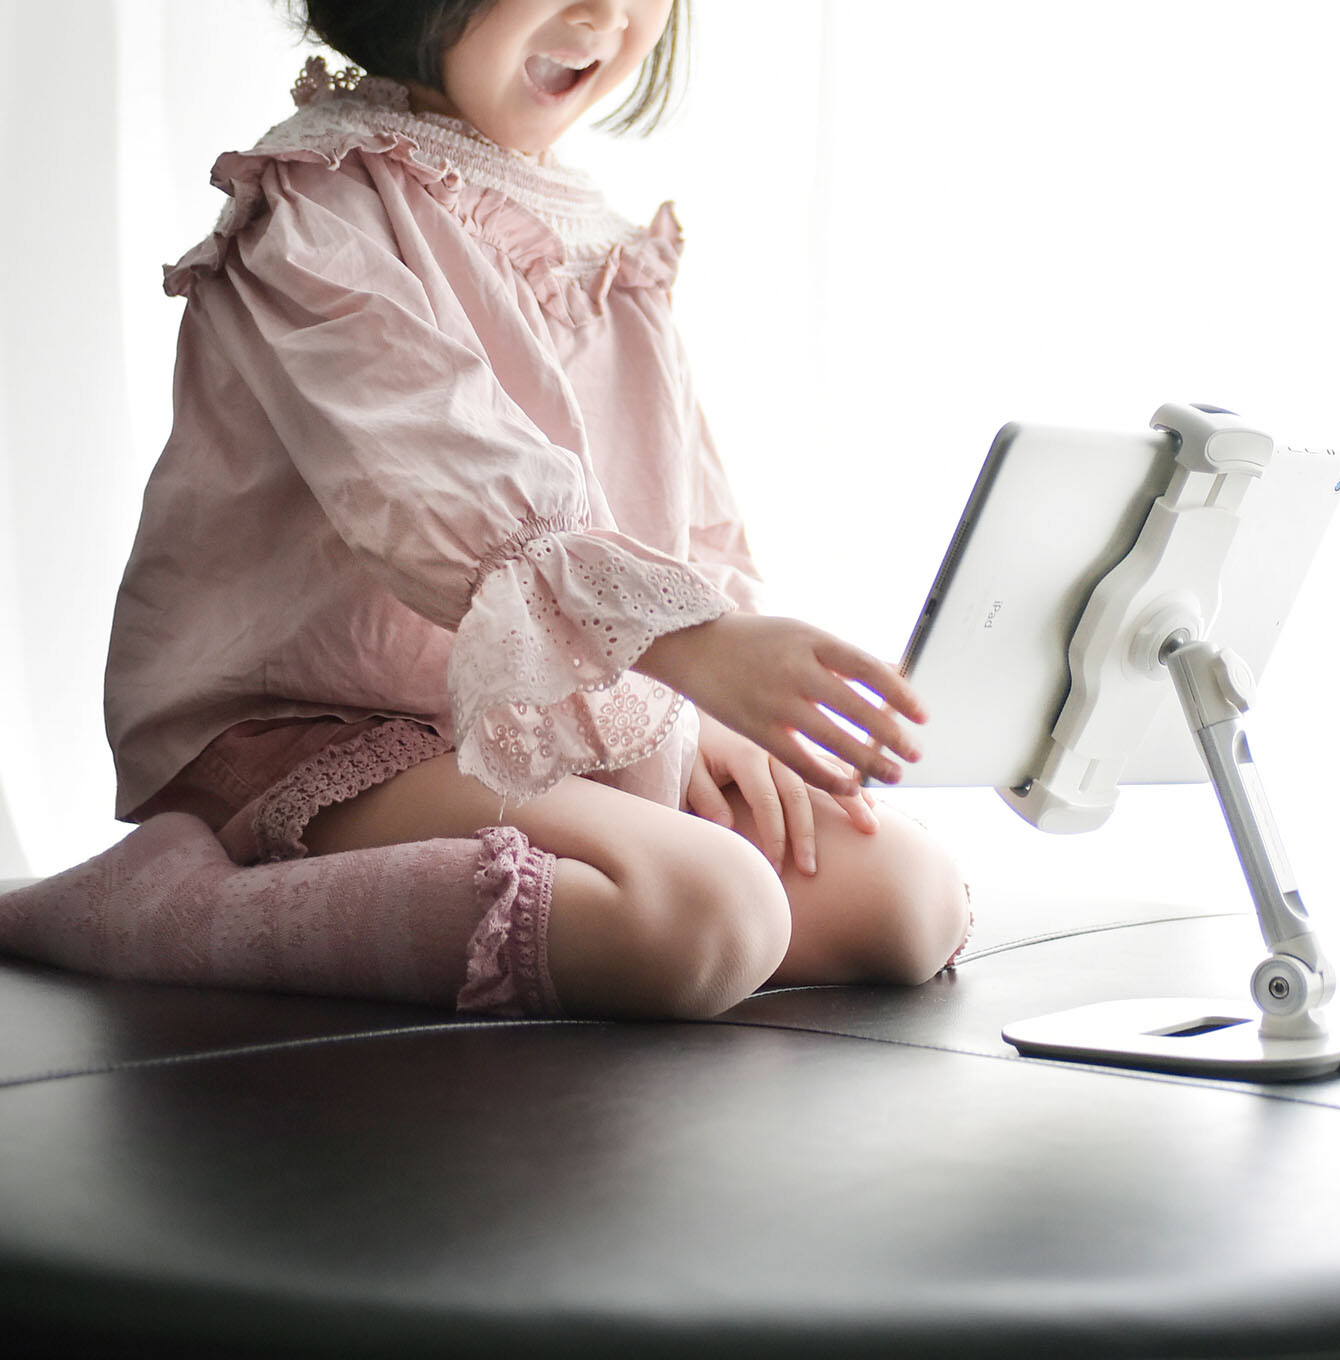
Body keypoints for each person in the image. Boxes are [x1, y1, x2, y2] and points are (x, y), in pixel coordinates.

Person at [0, 0, 970, 1019]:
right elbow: (443, 482)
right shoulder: (322, 202)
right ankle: (159, 907)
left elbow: (691, 519)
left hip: (554, 720)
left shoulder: (609, 248)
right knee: (704, 913)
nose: (601, 13)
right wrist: (694, 647)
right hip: (323, 728)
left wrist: (711, 710)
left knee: (906, 899)